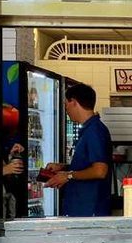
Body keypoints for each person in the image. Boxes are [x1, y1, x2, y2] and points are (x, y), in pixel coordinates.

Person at [43, 83, 112, 216]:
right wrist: (63, 168)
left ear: (74, 102)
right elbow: (88, 165)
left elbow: (100, 170)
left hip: (90, 210)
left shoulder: (94, 131)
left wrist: (68, 175)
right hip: (81, 209)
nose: (65, 109)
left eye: (66, 104)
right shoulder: (88, 130)